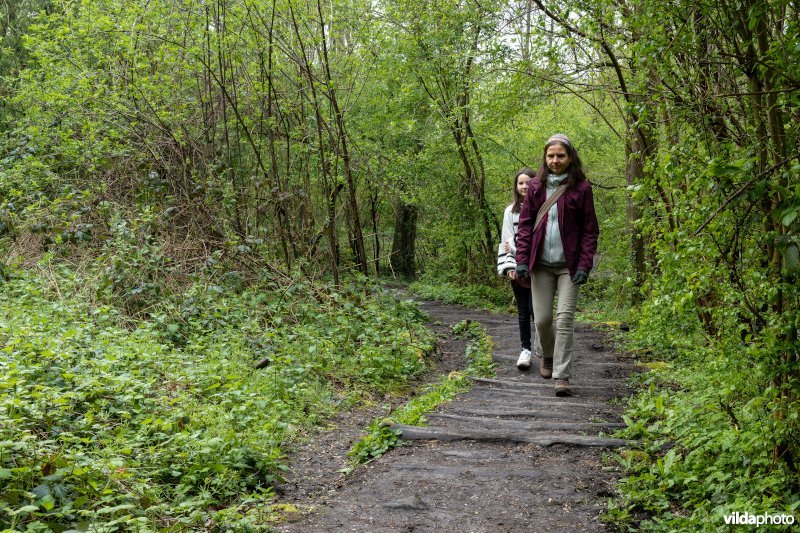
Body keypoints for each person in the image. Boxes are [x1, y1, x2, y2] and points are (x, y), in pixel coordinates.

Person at [514, 134, 599, 397]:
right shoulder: (537, 187)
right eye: (551, 156)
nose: (555, 160)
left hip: (569, 267)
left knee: (564, 320)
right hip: (540, 265)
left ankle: (562, 376)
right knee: (542, 320)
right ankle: (547, 355)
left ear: (570, 158)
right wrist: (522, 261)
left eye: (560, 155)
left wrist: (585, 264)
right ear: (545, 158)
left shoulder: (581, 189)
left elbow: (590, 230)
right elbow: (526, 226)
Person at [497, 168, 539, 370]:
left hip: (540, 265)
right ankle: (526, 349)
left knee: (538, 310)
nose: (524, 186)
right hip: (517, 265)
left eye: (528, 182)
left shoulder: (543, 206)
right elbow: (507, 240)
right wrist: (509, 266)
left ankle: (543, 347)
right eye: (520, 183)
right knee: (523, 310)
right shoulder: (510, 211)